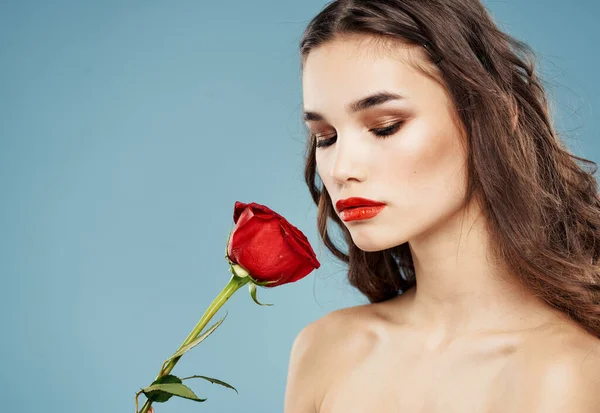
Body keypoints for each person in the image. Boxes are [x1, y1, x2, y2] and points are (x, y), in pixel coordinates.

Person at [283, 0, 600, 412]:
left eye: (385, 127)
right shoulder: (325, 348)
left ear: (488, 117)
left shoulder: (563, 371)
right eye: (325, 137)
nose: (342, 168)